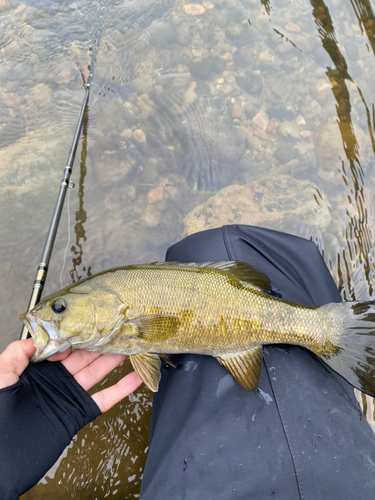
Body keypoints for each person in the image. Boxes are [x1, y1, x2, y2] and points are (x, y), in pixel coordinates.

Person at [1, 225, 375, 500]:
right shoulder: (120, 324)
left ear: (110, 307)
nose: (50, 314)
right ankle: (327, 327)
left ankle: (327, 330)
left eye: (61, 308)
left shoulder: (125, 324)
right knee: (218, 245)